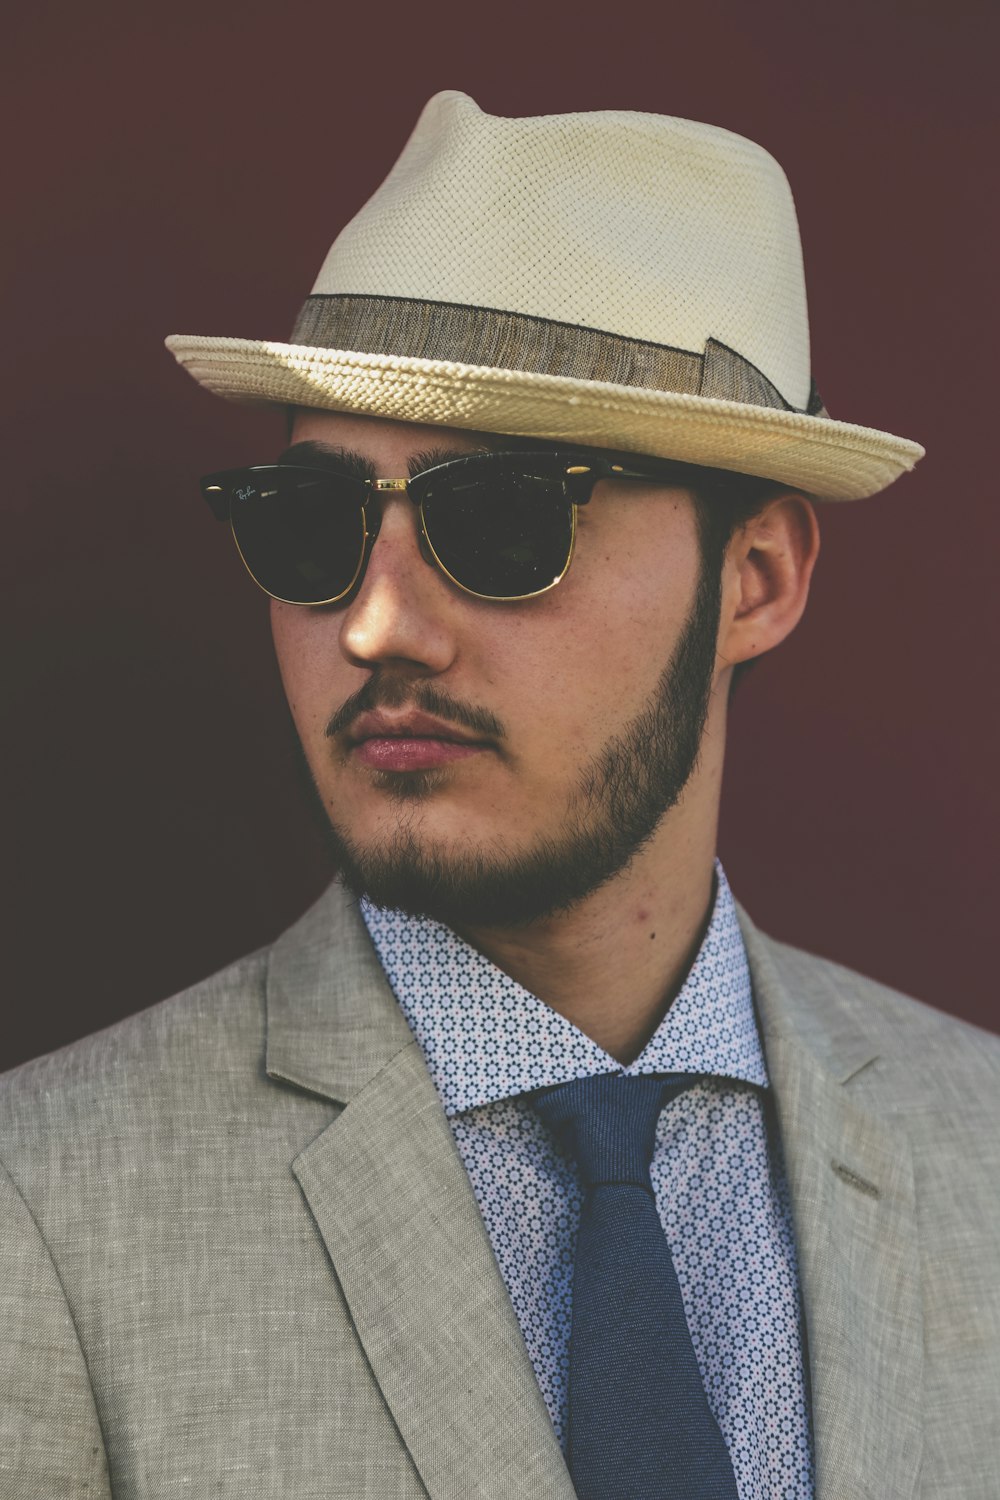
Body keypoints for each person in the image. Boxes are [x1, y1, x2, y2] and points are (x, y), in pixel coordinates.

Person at [0, 90, 996, 1500]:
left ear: (756, 577)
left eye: (505, 521)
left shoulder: (983, 1160)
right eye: (311, 525)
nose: (377, 625)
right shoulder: (40, 1214)